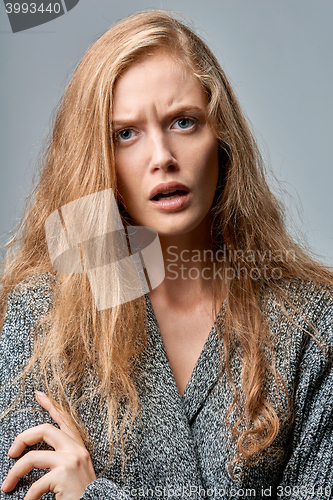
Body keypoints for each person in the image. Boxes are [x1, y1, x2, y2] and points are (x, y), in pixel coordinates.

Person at [1, 9, 333, 500]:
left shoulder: (312, 325)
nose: (162, 156)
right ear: (98, 157)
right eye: (126, 133)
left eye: (183, 121)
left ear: (221, 138)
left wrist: (95, 494)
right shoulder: (43, 317)